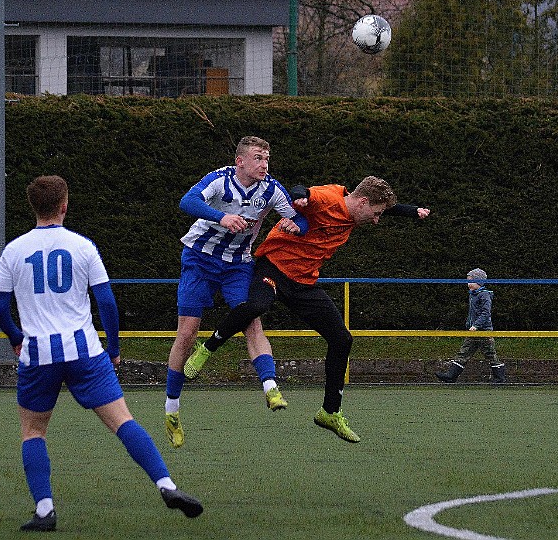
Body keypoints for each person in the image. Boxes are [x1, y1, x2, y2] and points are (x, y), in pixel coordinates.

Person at [0, 175, 203, 532]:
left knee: (33, 433)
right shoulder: (82, 246)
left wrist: (15, 337)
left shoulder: (14, 250)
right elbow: (105, 300)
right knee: (123, 422)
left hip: (39, 353)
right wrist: (114, 349)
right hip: (84, 351)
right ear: (64, 205)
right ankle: (166, 485)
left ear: (33, 207)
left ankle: (45, 511)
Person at [185, 176, 430, 443]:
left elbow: (385, 205)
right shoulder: (328, 199)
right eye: (376, 213)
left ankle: (329, 412)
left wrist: (411, 210)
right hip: (274, 267)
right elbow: (303, 193)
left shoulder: (357, 203)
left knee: (342, 339)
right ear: (362, 202)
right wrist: (300, 196)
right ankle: (207, 347)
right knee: (257, 306)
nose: (376, 220)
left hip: (303, 282)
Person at [165, 136, 307, 449]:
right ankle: (172, 408)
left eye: (267, 159)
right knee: (187, 334)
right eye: (258, 158)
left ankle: (270, 387)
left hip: (238, 266)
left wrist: (297, 226)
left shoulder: (271, 189)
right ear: (240, 161)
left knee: (252, 320)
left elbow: (298, 218)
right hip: (199, 260)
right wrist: (221, 216)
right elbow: (186, 201)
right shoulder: (219, 180)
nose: (264, 164)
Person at [435, 268, 507, 384]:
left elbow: (485, 313)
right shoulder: (473, 295)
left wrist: (476, 325)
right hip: (473, 330)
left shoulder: (484, 295)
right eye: (468, 281)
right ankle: (451, 375)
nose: (468, 284)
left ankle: (500, 377)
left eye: (471, 281)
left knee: (490, 353)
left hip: (483, 330)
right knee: (464, 351)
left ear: (480, 282)